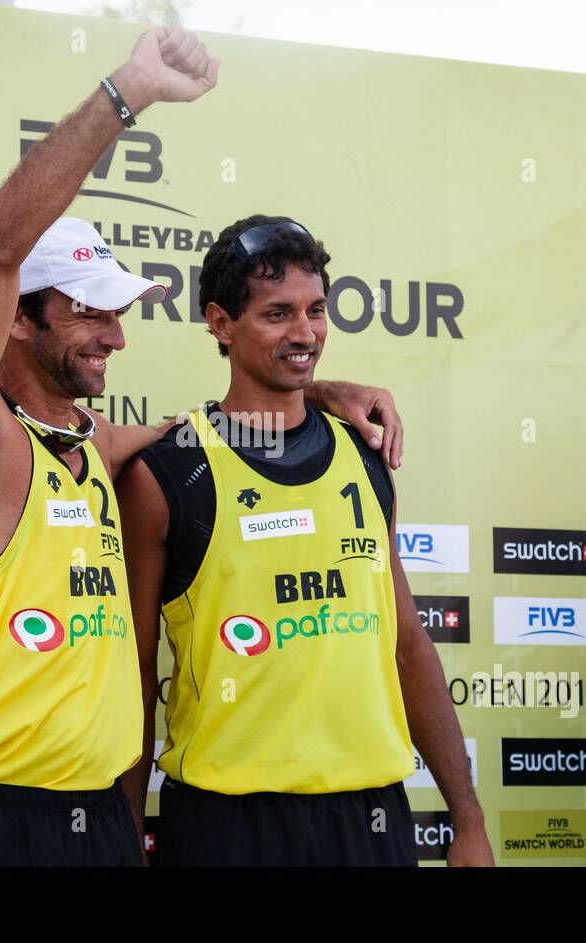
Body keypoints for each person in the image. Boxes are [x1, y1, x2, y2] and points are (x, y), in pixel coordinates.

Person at [0, 31, 403, 867]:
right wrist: (127, 93)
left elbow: (209, 425)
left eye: (118, 312)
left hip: (96, 825)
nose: (115, 338)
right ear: (19, 316)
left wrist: (317, 391)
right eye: (90, 312)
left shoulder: (92, 444)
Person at [116, 216, 493, 866]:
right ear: (220, 322)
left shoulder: (364, 455)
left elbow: (406, 643)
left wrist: (467, 819)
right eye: (278, 313)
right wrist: (122, 840)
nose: (305, 333)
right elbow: (130, 677)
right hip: (225, 826)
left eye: (317, 310)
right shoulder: (169, 472)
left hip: (369, 818)